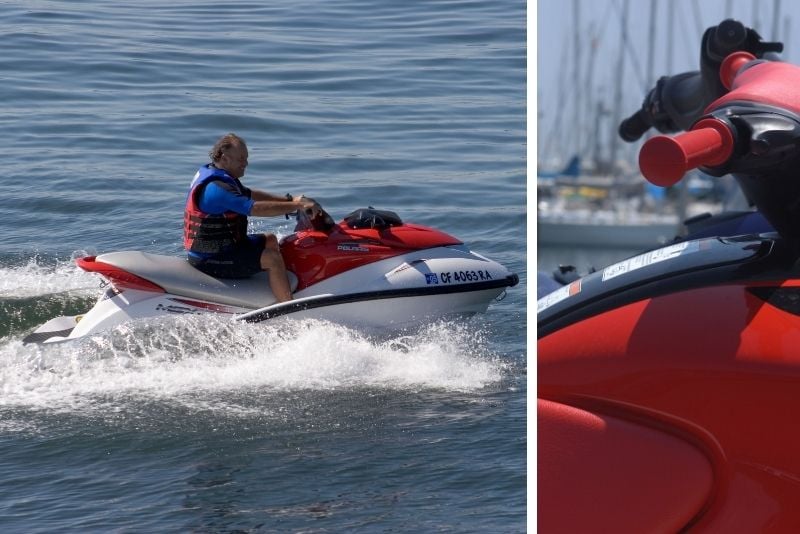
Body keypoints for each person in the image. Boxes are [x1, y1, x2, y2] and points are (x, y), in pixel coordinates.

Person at [183, 133, 318, 302]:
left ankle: (278, 285)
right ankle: (288, 307)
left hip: (227, 248)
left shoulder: (220, 175)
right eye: (241, 159)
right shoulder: (216, 188)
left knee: (270, 240)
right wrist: (297, 206)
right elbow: (255, 208)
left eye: (246, 158)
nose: (246, 163)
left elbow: (251, 194)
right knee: (272, 258)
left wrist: (290, 200)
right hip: (209, 259)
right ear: (224, 158)